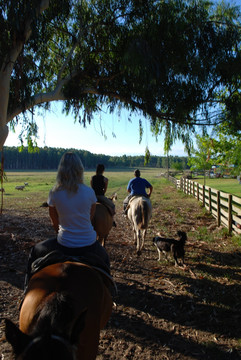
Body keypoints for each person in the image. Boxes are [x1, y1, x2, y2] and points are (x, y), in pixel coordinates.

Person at [25, 152, 110, 288]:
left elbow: (55, 223)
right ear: (80, 170)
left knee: (35, 251)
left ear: (61, 169)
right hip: (88, 243)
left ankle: (27, 291)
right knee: (105, 258)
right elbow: (90, 218)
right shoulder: (89, 192)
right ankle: (110, 294)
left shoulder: (54, 192)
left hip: (64, 243)